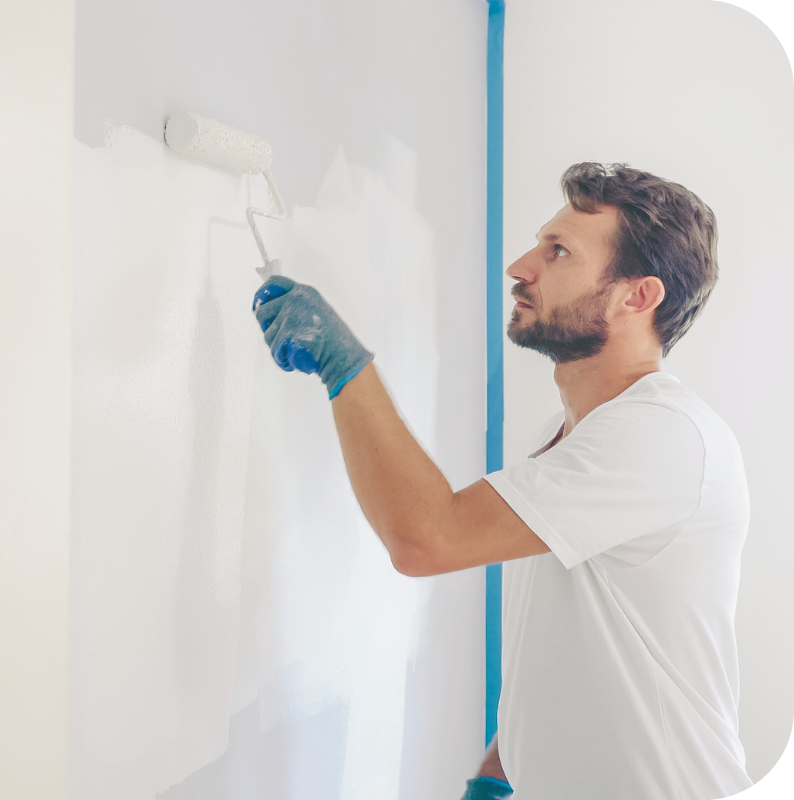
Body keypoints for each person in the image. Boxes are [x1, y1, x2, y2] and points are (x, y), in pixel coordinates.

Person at [251, 163, 752, 799]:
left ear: (636, 297)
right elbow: (565, 648)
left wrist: (342, 363)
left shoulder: (662, 436)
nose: (520, 266)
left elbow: (426, 538)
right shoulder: (566, 436)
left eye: (558, 251)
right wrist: (495, 774)